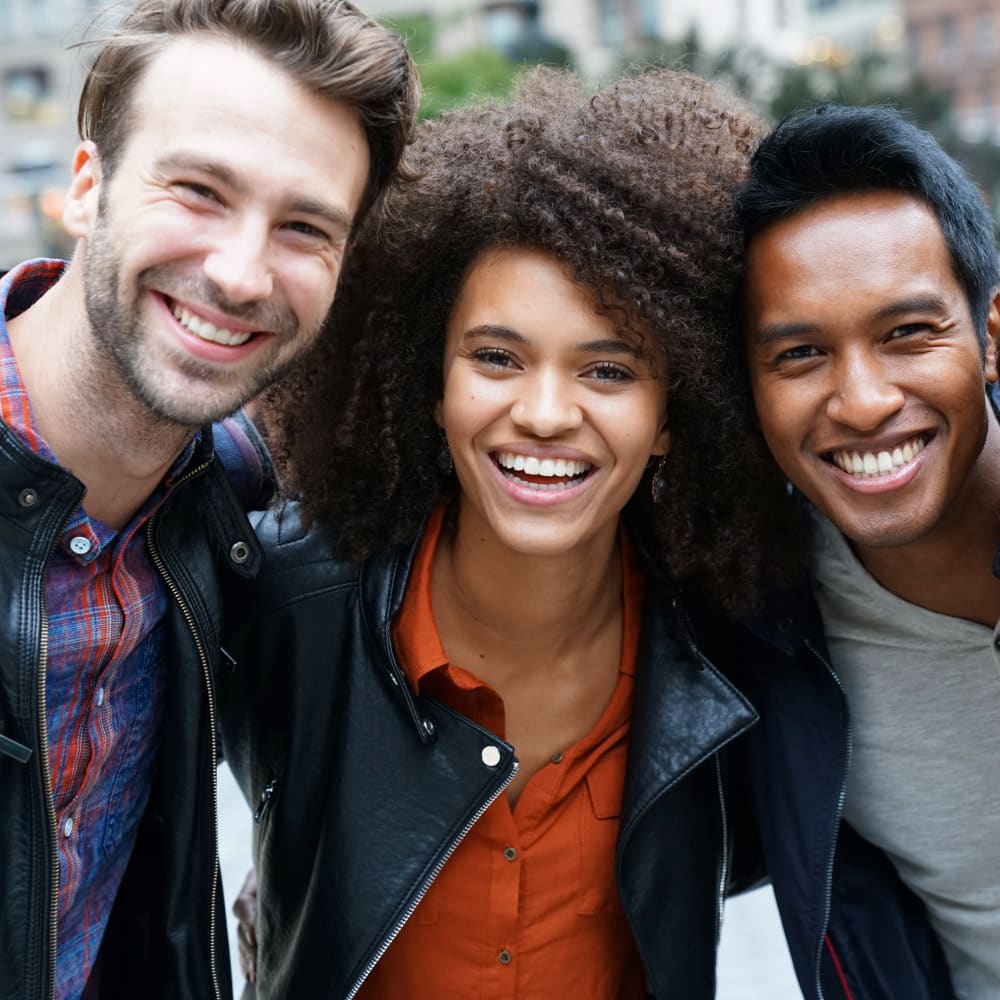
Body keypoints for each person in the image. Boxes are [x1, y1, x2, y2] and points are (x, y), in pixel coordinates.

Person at [220, 67, 800, 999]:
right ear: (431, 383)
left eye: (607, 371)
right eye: (497, 357)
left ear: (674, 417)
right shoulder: (286, 603)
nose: (543, 413)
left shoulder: (734, 644)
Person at [0, 2, 417, 998]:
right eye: (198, 191)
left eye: (306, 227)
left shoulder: (228, 504)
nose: (239, 271)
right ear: (88, 185)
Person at [726, 104, 1000, 999]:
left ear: (991, 334)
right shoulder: (760, 625)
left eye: (907, 334)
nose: (863, 400)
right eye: (801, 354)